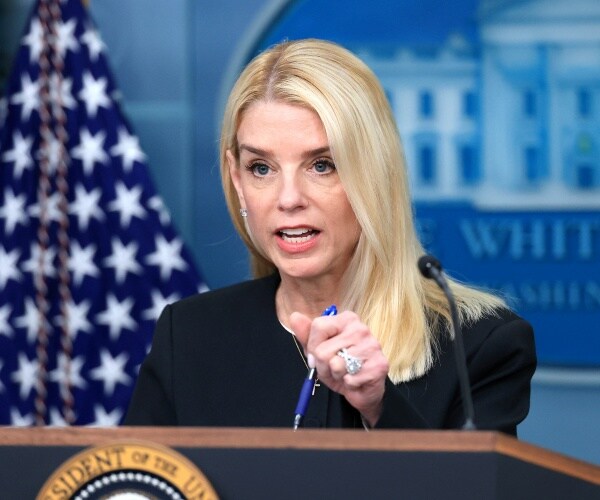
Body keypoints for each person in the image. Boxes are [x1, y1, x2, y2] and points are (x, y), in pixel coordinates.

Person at [124, 38, 536, 434]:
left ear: (374, 175)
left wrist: (378, 405)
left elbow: (467, 478)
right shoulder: (190, 335)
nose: (288, 199)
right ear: (237, 180)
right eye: (261, 168)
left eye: (322, 165)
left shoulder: (477, 346)